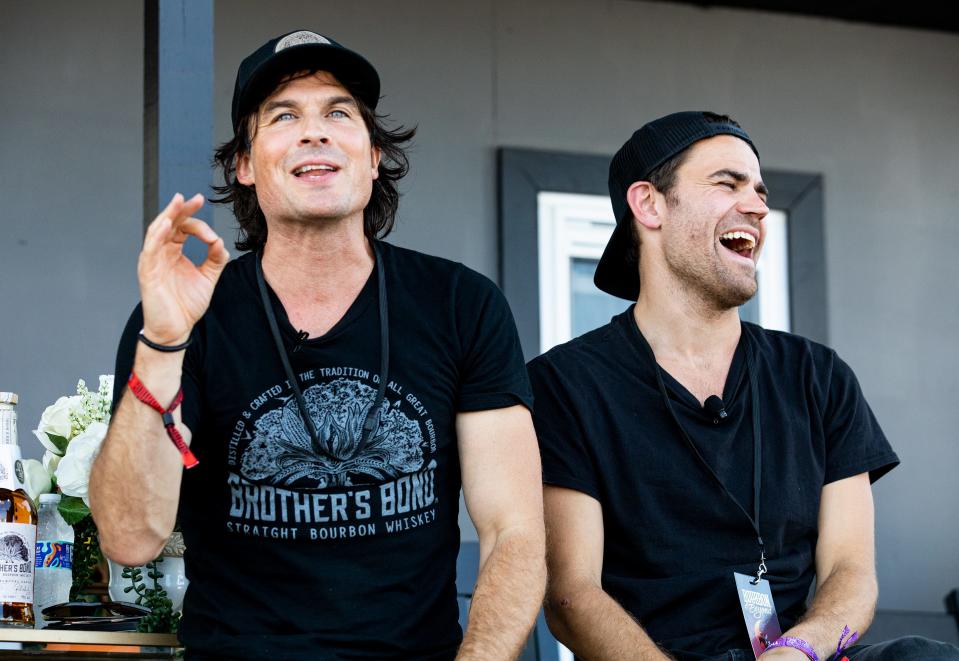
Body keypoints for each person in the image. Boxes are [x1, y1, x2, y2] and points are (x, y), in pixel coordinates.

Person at [90, 30, 545, 660]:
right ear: (245, 165)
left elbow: (514, 534)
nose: (315, 131)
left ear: (374, 154)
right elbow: (131, 537)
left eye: (338, 112)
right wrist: (164, 341)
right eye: (284, 115)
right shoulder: (181, 318)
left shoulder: (461, 304)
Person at [527, 111, 959, 660]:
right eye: (727, 184)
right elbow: (571, 594)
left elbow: (852, 574)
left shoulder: (818, 376)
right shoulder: (564, 385)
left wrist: (799, 649)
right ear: (649, 204)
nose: (757, 206)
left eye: (759, 190)